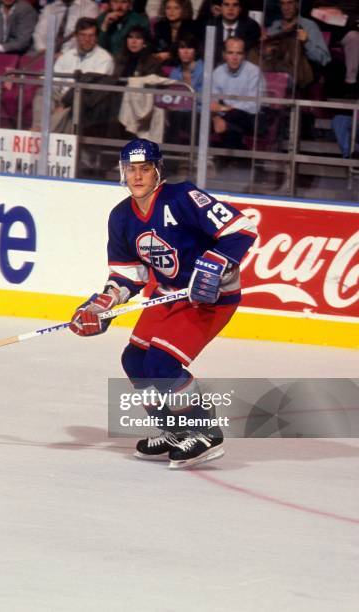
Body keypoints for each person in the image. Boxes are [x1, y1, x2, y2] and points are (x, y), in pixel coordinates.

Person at [69, 138, 257, 469]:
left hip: (211, 298)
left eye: (145, 169)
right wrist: (101, 306)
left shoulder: (182, 196)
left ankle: (204, 431)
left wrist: (213, 264)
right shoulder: (121, 217)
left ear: (158, 170)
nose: (138, 176)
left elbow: (241, 230)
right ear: (122, 173)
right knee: (135, 360)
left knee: (161, 365)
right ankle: (175, 429)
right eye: (131, 169)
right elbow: (130, 276)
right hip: (169, 293)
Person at [31, 17, 114, 131]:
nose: (87, 39)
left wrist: (64, 103)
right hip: (62, 96)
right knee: (43, 92)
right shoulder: (67, 55)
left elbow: (91, 91)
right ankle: (38, 128)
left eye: (91, 35)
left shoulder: (104, 58)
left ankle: (42, 135)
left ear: (97, 37)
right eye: (83, 35)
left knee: (68, 110)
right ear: (76, 36)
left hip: (83, 101)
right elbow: (55, 81)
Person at [211, 36, 265, 149]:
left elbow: (254, 106)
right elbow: (212, 103)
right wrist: (217, 117)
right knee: (227, 125)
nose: (234, 57)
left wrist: (225, 109)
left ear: (244, 55)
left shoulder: (254, 72)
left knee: (234, 117)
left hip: (252, 118)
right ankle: (234, 159)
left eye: (239, 53)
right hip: (226, 116)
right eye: (230, 53)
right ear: (224, 55)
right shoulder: (218, 72)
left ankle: (222, 159)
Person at [267, 0, 330, 79]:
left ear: (297, 5)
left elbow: (324, 59)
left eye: (290, 3)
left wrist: (306, 42)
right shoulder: (275, 25)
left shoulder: (309, 26)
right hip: (274, 71)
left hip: (297, 75)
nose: (286, 8)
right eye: (283, 4)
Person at [196, 0, 260, 66]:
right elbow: (205, 54)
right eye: (226, 4)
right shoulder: (210, 26)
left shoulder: (251, 28)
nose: (231, 9)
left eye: (235, 5)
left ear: (240, 9)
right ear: (220, 7)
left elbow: (248, 54)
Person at [33, 0, 98, 53]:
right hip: (46, 55)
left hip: (74, 55)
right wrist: (43, 49)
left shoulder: (89, 7)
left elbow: (85, 37)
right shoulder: (50, 8)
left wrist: (64, 54)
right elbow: (39, 33)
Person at [153, 0, 196, 65]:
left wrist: (170, 55)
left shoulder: (193, 27)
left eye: (176, 8)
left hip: (185, 65)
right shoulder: (160, 26)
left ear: (184, 10)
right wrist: (156, 55)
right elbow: (155, 47)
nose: (171, 11)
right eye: (168, 8)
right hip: (162, 64)